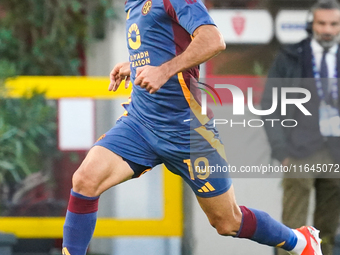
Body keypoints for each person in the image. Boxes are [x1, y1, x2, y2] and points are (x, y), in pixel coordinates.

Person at [62, 0, 323, 254]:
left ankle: (300, 241)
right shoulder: (132, 3)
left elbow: (213, 40)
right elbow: (167, 44)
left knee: (227, 222)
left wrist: (163, 71)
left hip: (187, 132)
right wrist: (136, 66)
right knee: (85, 180)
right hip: (140, 124)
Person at [261, 1, 340, 255]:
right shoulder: (291, 56)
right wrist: (281, 150)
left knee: (327, 231)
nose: (327, 30)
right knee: (292, 231)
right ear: (311, 24)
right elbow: (269, 104)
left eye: (334, 24)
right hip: (298, 151)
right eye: (322, 23)